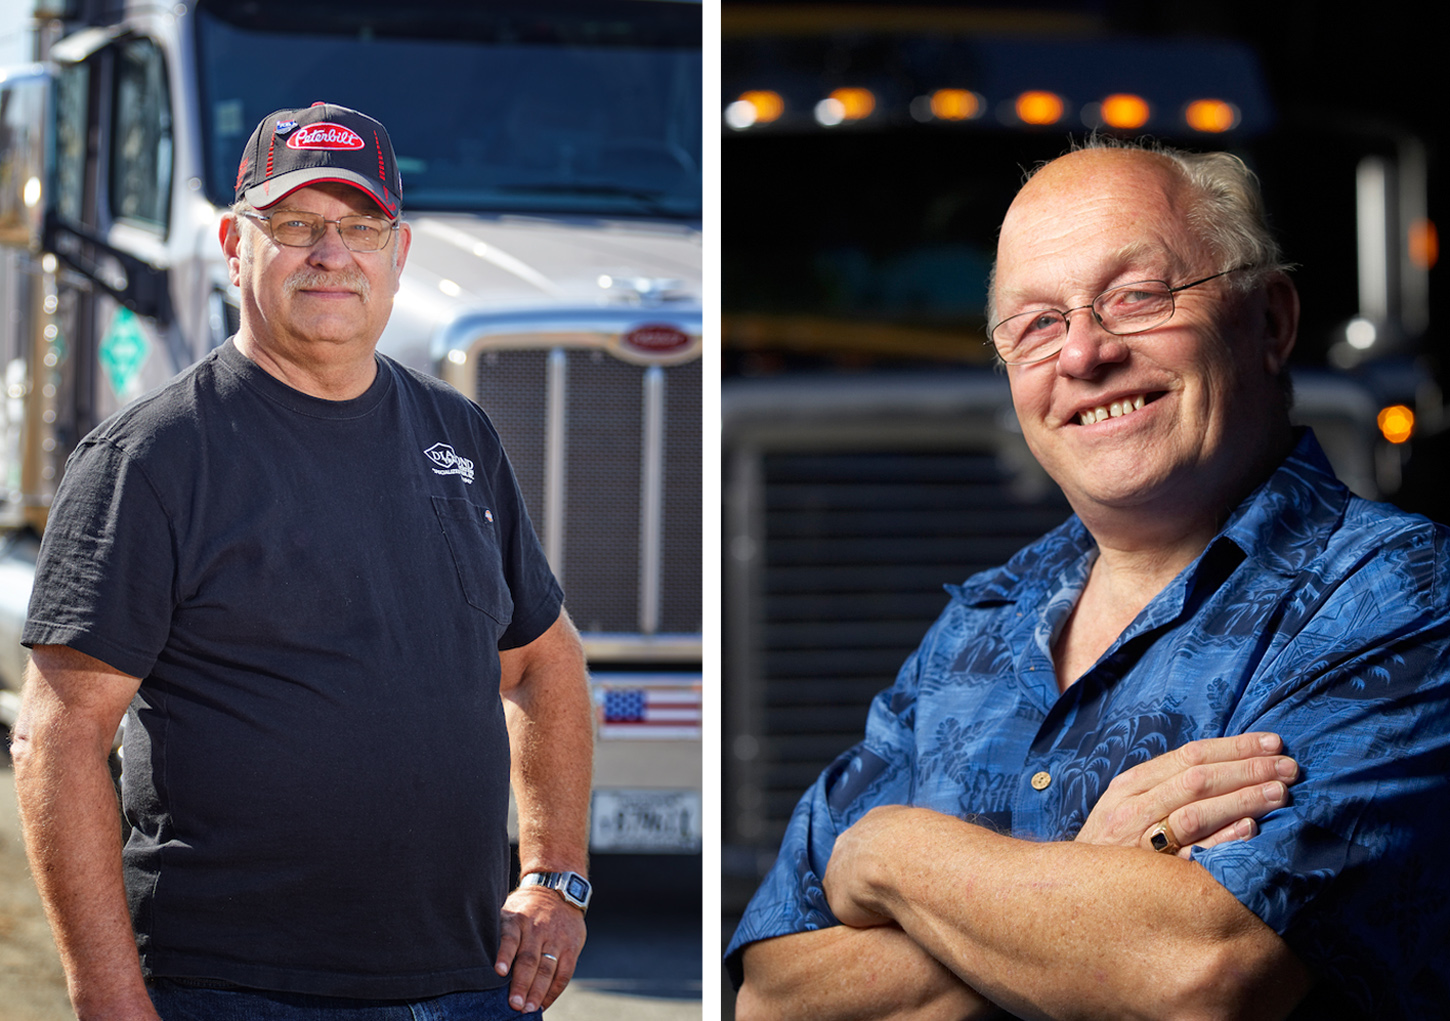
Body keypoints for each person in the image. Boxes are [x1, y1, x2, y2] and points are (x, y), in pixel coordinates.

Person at [726, 139, 1450, 1019]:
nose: (1082, 355)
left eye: (1136, 297)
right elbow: (772, 993)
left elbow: (1200, 971)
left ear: (1271, 321)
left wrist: (889, 853)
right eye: (1036, 323)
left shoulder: (1402, 597)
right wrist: (1093, 882)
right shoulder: (979, 624)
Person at [11, 103, 594, 1020]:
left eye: (360, 226)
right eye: (294, 226)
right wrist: (113, 1002)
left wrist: (556, 878)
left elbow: (540, 658)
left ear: (398, 253)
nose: (332, 253)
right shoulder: (152, 459)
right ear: (234, 245)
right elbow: (58, 738)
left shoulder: (458, 435)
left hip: (465, 983)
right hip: (236, 990)